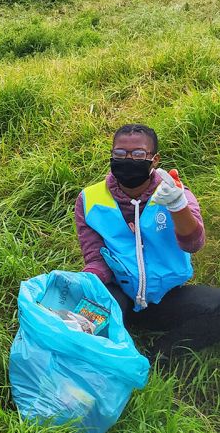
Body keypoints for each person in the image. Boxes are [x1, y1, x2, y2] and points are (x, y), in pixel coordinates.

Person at [75, 123, 220, 359]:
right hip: (117, 294)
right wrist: (86, 282)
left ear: (154, 159)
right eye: (120, 154)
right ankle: (106, 354)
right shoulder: (89, 200)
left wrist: (177, 206)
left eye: (139, 154)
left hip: (165, 296)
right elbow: (95, 257)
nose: (128, 159)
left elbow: (193, 244)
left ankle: (162, 354)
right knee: (84, 320)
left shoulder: (175, 192)